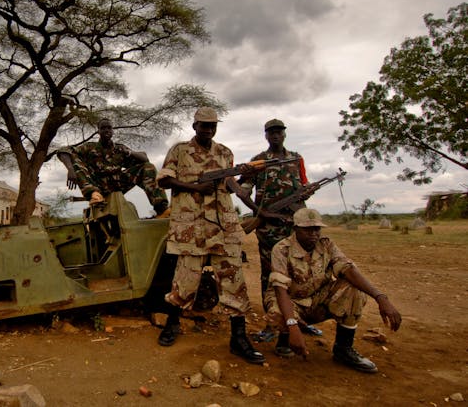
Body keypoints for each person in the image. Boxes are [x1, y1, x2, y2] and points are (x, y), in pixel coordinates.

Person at [154, 106, 265, 364]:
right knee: (185, 280)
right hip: (191, 227)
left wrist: (245, 176)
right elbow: (164, 180)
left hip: (223, 227)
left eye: (213, 125)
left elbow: (229, 186)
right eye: (204, 125)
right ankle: (172, 324)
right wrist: (195, 187)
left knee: (233, 280)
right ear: (194, 126)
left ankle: (239, 338)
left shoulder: (225, 152)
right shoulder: (179, 150)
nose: (209, 129)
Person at [266, 208, 402, 372]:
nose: (314, 234)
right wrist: (292, 325)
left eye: (317, 229)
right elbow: (280, 290)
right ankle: (285, 338)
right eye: (308, 229)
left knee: (353, 289)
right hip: (292, 302)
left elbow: (348, 269)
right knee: (277, 312)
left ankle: (343, 349)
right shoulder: (281, 249)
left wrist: (380, 297)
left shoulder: (326, 244)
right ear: (295, 229)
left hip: (318, 298)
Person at [238, 119, 321, 338]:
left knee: (300, 273)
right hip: (269, 228)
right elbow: (242, 192)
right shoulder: (258, 162)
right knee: (270, 275)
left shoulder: (296, 159)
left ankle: (298, 320)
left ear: (284, 134)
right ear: (266, 135)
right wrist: (261, 212)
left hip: (297, 227)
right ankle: (272, 324)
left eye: (279, 132)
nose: (275, 135)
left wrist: (306, 192)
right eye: (271, 132)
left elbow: (302, 186)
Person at [57, 118, 169, 217]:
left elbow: (144, 159)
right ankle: (94, 195)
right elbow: (64, 150)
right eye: (103, 128)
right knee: (74, 158)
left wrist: (129, 152)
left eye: (109, 128)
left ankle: (161, 209)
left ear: (113, 131)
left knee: (148, 167)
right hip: (97, 185)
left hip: (118, 184)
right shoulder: (89, 147)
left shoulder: (120, 149)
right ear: (98, 131)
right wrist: (70, 170)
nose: (106, 130)